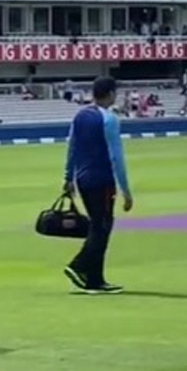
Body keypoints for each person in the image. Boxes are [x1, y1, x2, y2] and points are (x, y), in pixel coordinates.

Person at [63, 76, 133, 295]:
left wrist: (67, 177)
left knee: (98, 225)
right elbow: (116, 157)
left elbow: (72, 147)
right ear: (111, 94)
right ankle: (78, 265)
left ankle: (95, 279)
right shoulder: (109, 119)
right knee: (101, 227)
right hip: (102, 180)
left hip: (83, 179)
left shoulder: (80, 115)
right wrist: (126, 190)